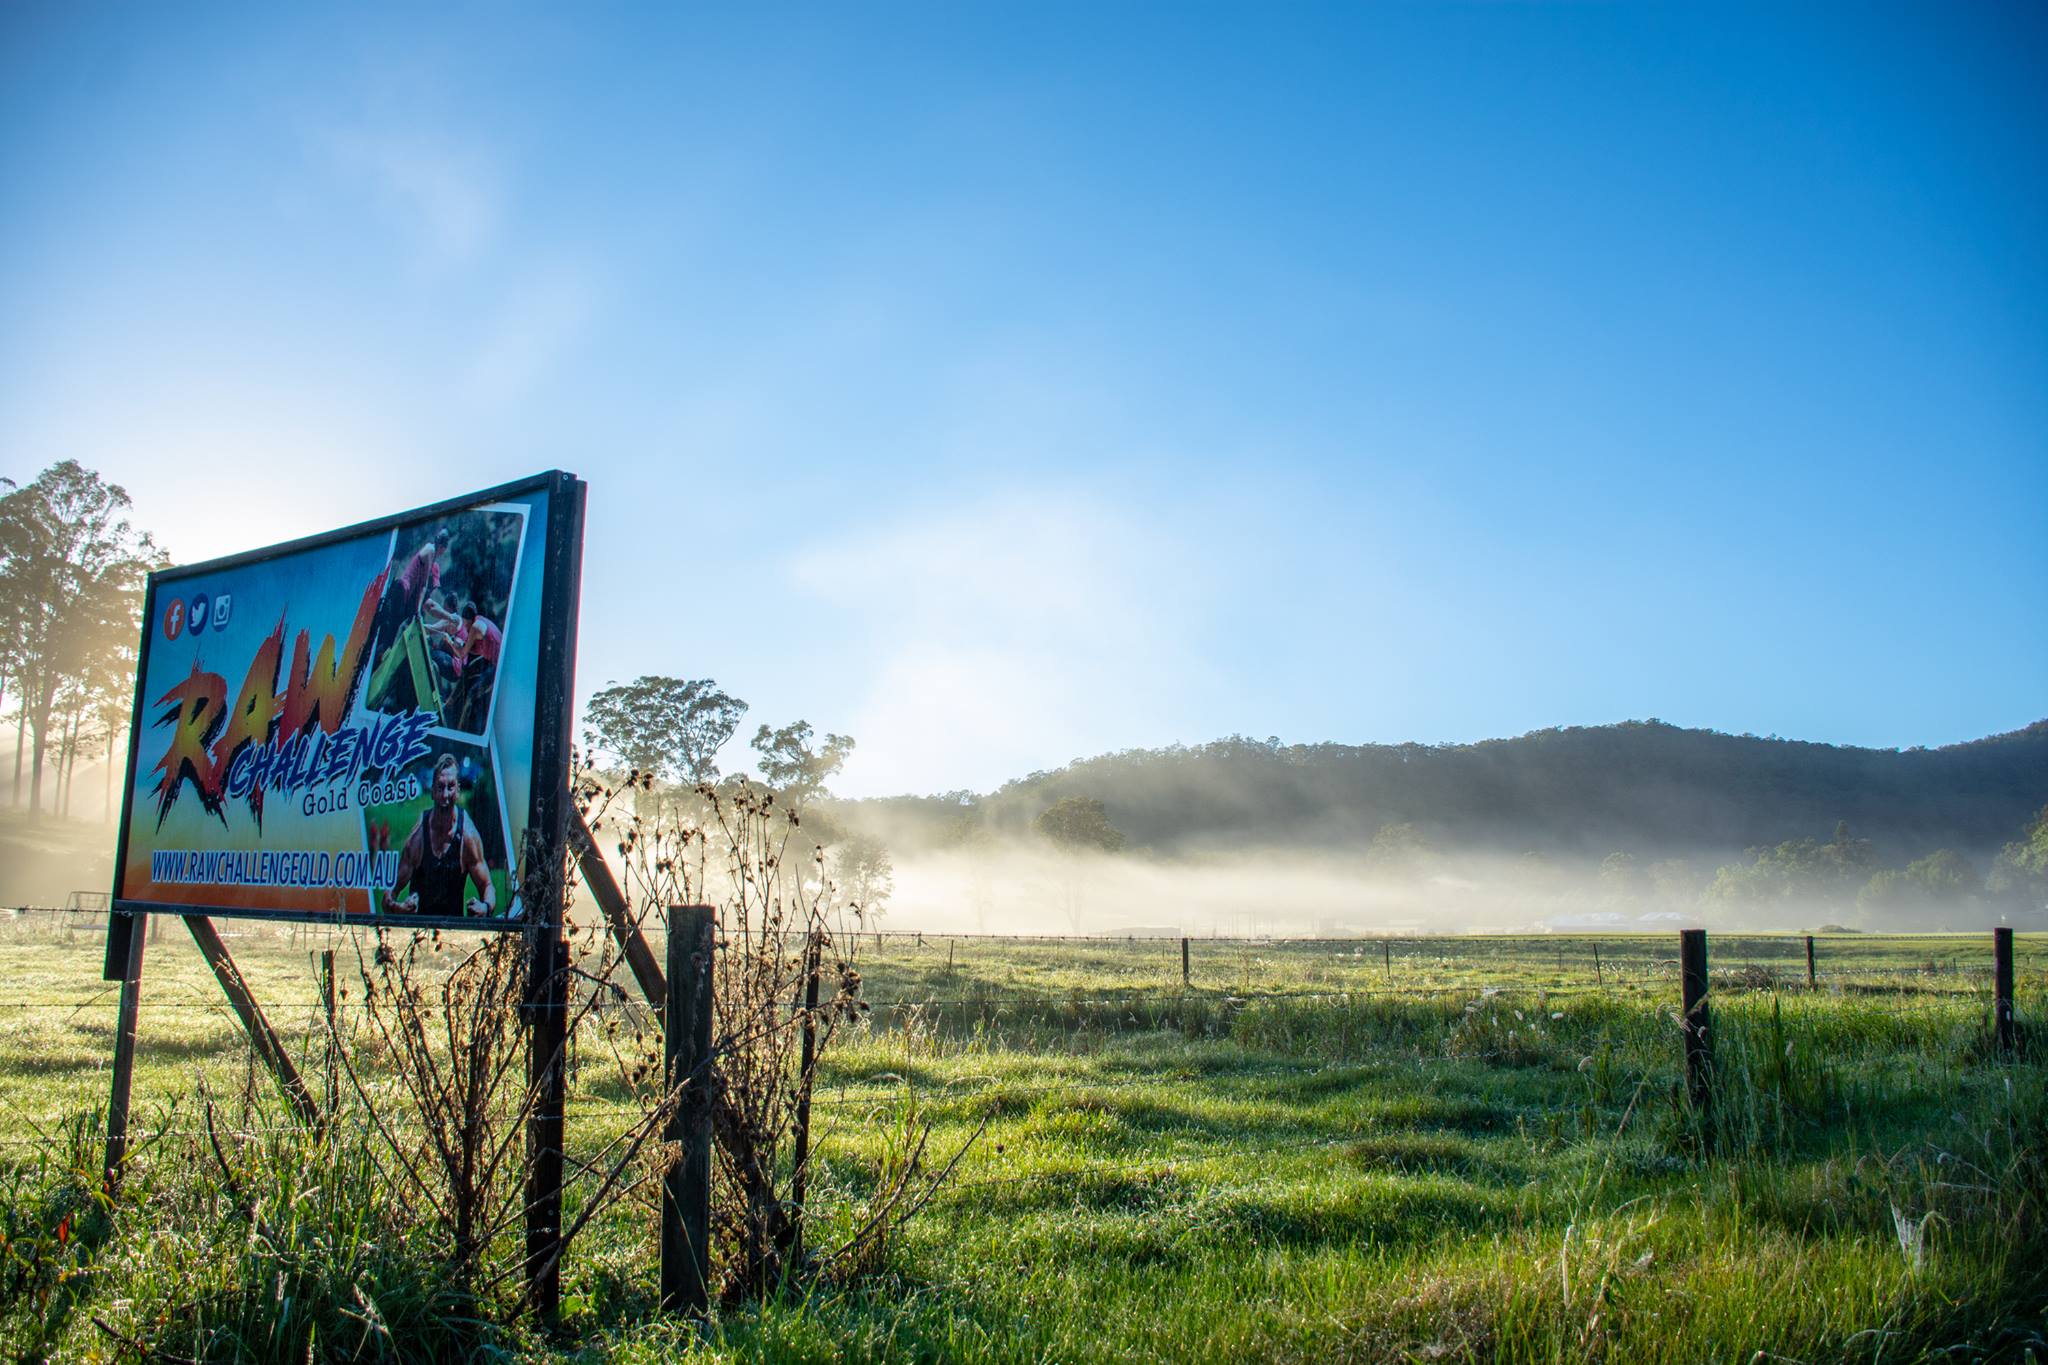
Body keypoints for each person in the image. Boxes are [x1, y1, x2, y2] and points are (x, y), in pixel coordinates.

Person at [387, 753, 494, 916]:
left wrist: (484, 907)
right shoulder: (418, 838)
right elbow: (388, 897)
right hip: (418, 934)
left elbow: (487, 886)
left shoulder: (468, 836)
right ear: (432, 792)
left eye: (450, 787)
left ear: (457, 790)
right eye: (440, 787)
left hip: (453, 935)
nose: (445, 795)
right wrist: (399, 908)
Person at [374, 528, 450, 658]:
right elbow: (423, 585)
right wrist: (418, 610)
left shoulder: (430, 554)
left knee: (391, 628)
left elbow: (426, 594)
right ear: (443, 548)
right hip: (403, 589)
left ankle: (380, 653)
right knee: (391, 629)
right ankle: (381, 654)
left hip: (404, 592)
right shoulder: (431, 550)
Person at [447, 601, 502, 729]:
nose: (465, 628)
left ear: (468, 620)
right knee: (468, 670)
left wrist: (449, 641)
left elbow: (462, 654)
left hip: (498, 666)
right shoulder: (479, 622)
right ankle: (450, 701)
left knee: (472, 694)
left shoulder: (476, 627)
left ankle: (461, 731)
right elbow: (475, 650)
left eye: (465, 625)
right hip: (491, 660)